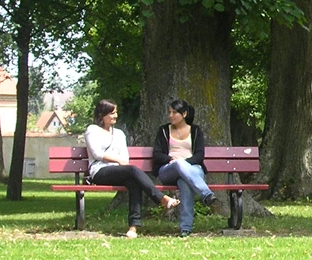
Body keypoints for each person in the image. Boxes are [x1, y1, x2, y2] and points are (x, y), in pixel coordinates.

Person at [85, 99, 178, 238]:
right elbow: (97, 154)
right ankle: (161, 198)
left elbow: (125, 157)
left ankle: (133, 228)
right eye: (111, 113)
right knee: (132, 170)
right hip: (99, 171)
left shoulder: (119, 134)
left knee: (134, 182)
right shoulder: (92, 130)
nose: (115, 116)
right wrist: (118, 161)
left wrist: (121, 163)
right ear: (101, 114)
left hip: (119, 171)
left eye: (116, 112)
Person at [153, 99, 216, 237]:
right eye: (169, 112)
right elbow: (157, 154)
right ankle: (205, 193)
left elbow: (199, 155)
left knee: (184, 181)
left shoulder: (195, 130)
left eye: (174, 112)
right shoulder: (164, 130)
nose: (170, 115)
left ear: (184, 114)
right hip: (168, 170)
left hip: (192, 170)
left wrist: (185, 163)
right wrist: (171, 159)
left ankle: (185, 228)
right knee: (178, 164)